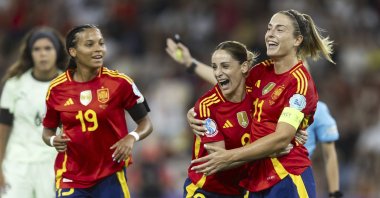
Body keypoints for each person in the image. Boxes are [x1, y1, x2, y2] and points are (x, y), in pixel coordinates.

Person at [167, 39, 342, 198]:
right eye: (215, 67)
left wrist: (278, 139)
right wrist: (270, 147)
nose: (219, 73)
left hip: (243, 188)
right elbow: (220, 160)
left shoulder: (260, 96)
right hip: (207, 189)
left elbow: (234, 82)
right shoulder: (208, 106)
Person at [41, 24, 153, 198]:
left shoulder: (120, 83)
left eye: (101, 43)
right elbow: (47, 131)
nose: (98, 49)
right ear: (73, 51)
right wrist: (53, 139)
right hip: (70, 176)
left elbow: (146, 123)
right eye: (89, 44)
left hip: (110, 174)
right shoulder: (57, 89)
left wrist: (132, 137)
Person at [0, 27, 67, 198]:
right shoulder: (14, 84)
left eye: (48, 48)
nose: (42, 54)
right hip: (17, 164)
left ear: (57, 52)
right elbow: (3, 127)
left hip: (53, 164)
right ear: (30, 53)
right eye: (37, 49)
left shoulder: (69, 85)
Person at [305, 101, 342, 198]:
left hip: (299, 175)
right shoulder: (269, 105)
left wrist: (334, 193)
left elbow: (330, 155)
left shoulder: (318, 109)